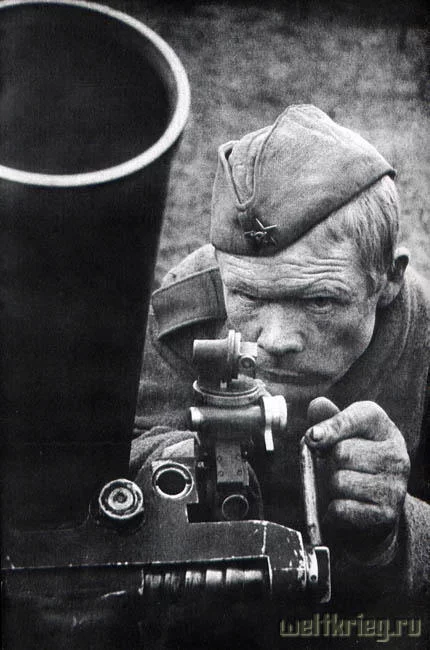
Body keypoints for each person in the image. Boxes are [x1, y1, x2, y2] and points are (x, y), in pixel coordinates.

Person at [131, 105, 430, 646]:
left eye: (318, 301)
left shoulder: (424, 339)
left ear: (388, 279)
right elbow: (115, 459)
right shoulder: (183, 316)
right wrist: (172, 464)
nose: (275, 339)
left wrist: (396, 527)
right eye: (247, 295)